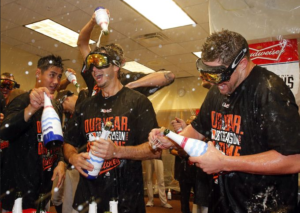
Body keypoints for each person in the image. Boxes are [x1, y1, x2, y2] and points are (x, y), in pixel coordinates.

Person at [149, 29, 300, 213]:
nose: (214, 82)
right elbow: (197, 129)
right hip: (223, 202)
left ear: (242, 64)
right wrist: (170, 138)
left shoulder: (270, 91)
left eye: (219, 75)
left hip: (264, 205)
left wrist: (226, 162)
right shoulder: (218, 91)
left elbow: (294, 160)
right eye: (208, 74)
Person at [63, 42, 162, 213]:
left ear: (116, 65)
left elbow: (155, 149)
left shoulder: (138, 103)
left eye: (100, 62)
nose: (94, 69)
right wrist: (72, 158)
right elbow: (68, 142)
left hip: (126, 198)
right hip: (89, 198)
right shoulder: (85, 106)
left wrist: (117, 151)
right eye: (91, 64)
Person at [0, 55, 66, 211]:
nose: (56, 81)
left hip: (43, 189)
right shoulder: (22, 101)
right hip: (19, 191)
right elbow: (5, 132)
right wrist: (31, 109)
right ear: (38, 74)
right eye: (51, 75)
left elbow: (56, 141)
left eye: (59, 76)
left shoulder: (56, 107)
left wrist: (61, 161)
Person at [77, 12, 175, 98]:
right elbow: (82, 44)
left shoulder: (128, 80)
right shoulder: (96, 72)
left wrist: (132, 85)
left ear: (121, 63)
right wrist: (92, 22)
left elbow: (169, 76)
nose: (95, 69)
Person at [171, 116, 209, 213]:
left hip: (198, 174)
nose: (191, 125)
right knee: (184, 199)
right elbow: (172, 149)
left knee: (200, 200)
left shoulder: (203, 137)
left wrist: (187, 153)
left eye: (193, 123)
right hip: (184, 172)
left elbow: (201, 150)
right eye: (189, 124)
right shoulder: (180, 136)